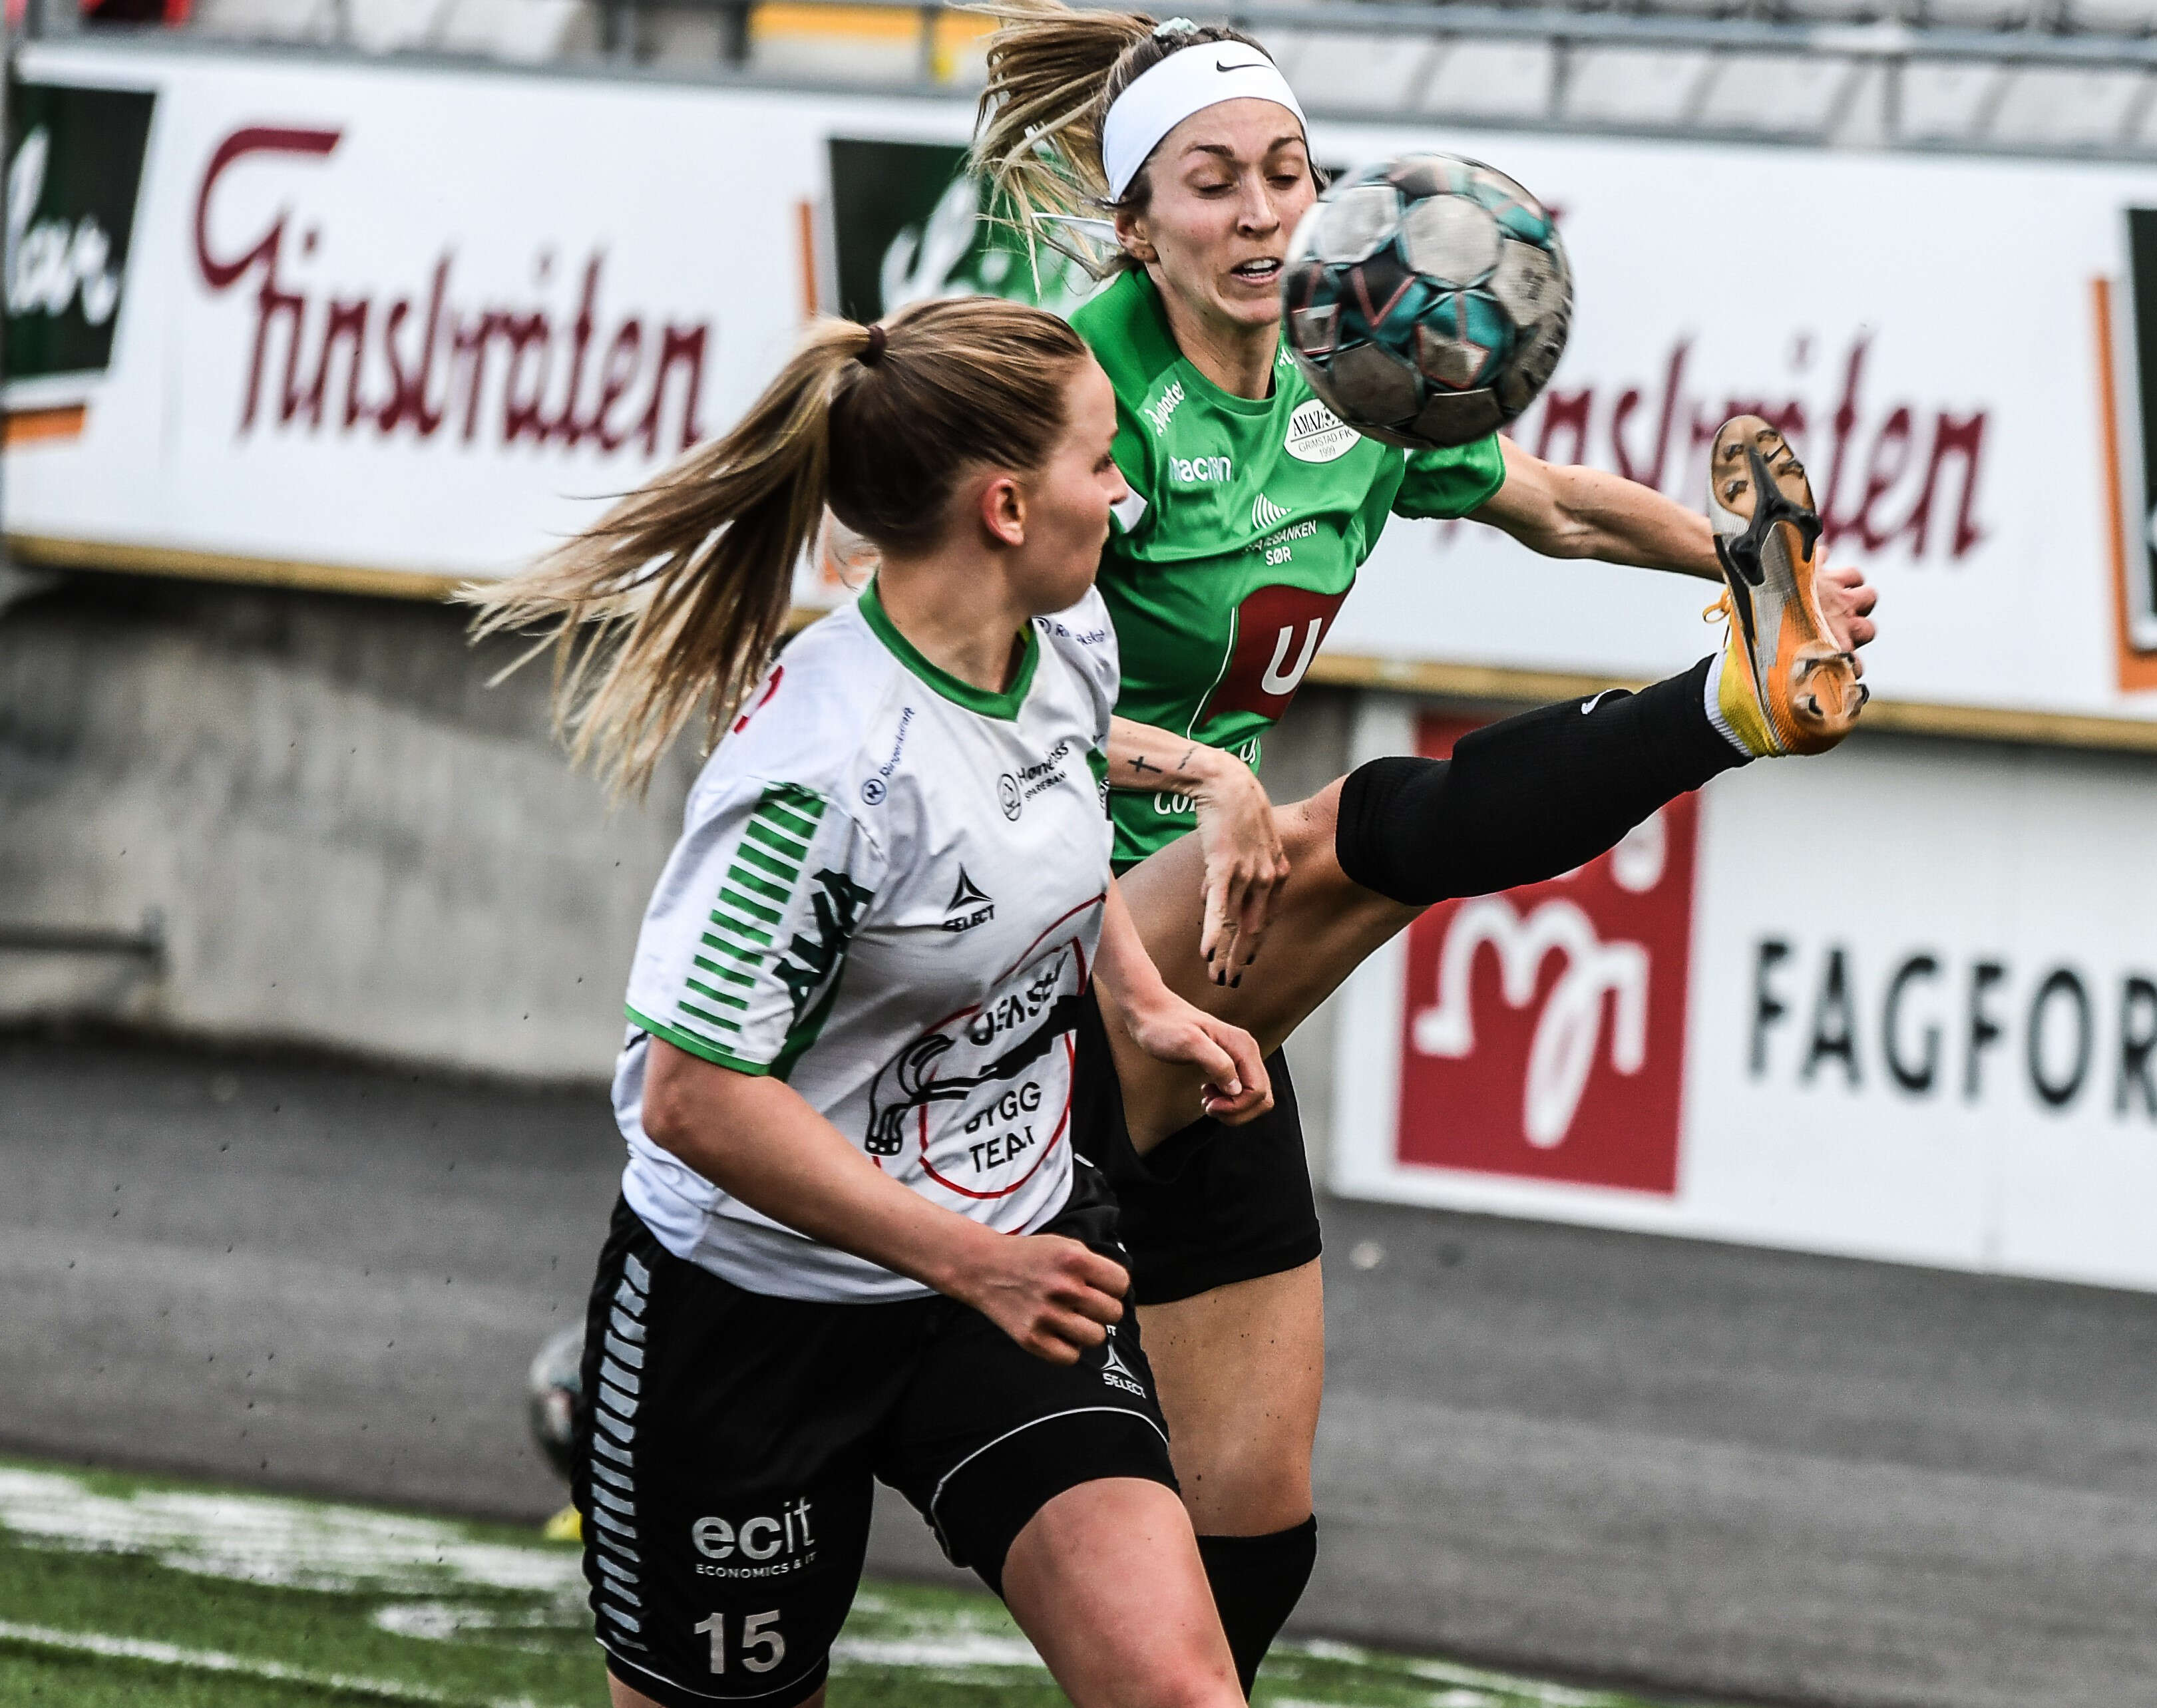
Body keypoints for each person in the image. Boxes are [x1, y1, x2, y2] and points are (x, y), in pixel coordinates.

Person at [971, 5, 1883, 1691]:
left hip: (1208, 972)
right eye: (1212, 183)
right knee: (1361, 832)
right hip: (1024, 952)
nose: (1261, 212)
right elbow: (968, 691)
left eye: (1287, 172)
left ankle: (1749, 670)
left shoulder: (1356, 363)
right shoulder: (1077, 400)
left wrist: (1763, 567)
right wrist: (1200, 773)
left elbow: (1558, 506)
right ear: (1136, 225)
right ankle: (1723, 712)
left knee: (1252, 1537)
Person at [468, 296, 1282, 1708]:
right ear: (1005, 508)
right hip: (754, 1316)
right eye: (1103, 464)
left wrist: (1137, 996)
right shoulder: (825, 771)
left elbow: (1048, 803)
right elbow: (693, 1100)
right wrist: (968, 1263)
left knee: (1184, 1696)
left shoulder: (1067, 636)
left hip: (1013, 1268)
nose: (1127, 497)